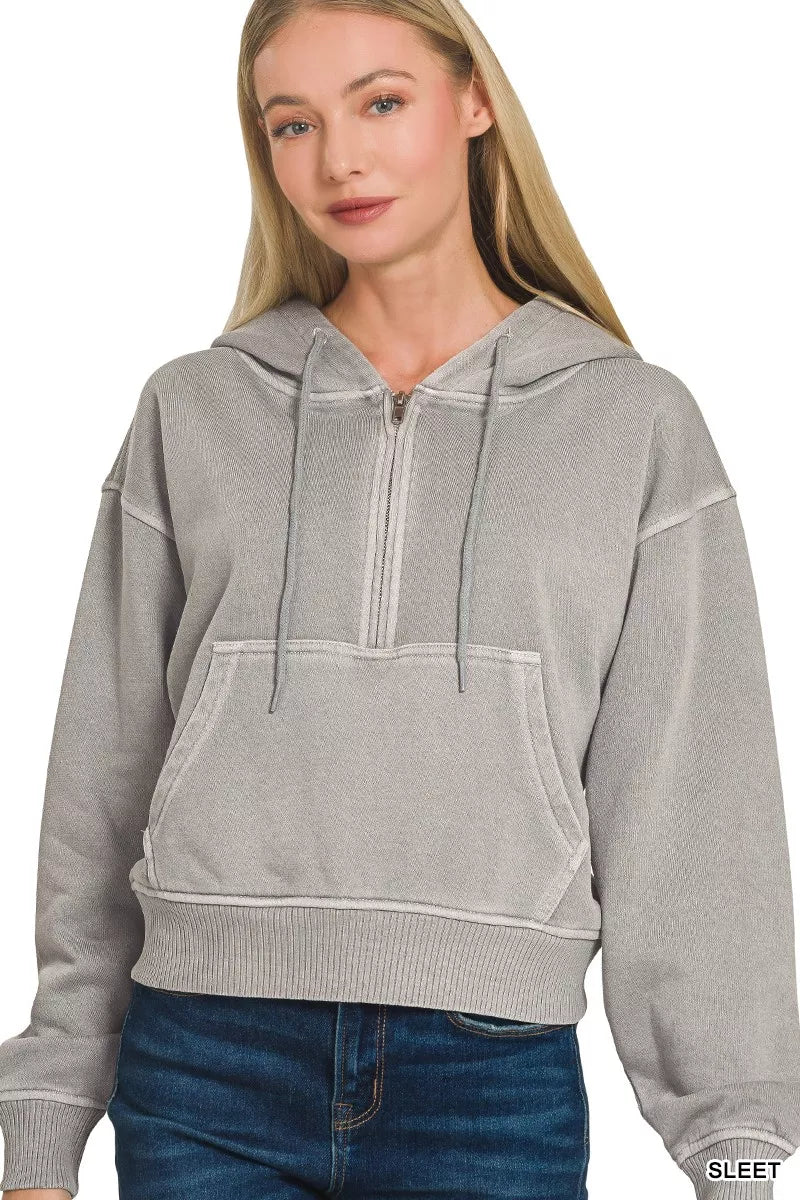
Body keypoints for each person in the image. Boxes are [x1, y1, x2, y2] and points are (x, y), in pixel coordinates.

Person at [2, 1, 800, 1197]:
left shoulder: (631, 422)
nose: (339, 160)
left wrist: (731, 1142)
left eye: (379, 102)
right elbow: (101, 775)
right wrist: (46, 1113)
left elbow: (691, 795)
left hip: (486, 1079)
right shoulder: (194, 409)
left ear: (473, 100)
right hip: (203, 1064)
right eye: (291, 124)